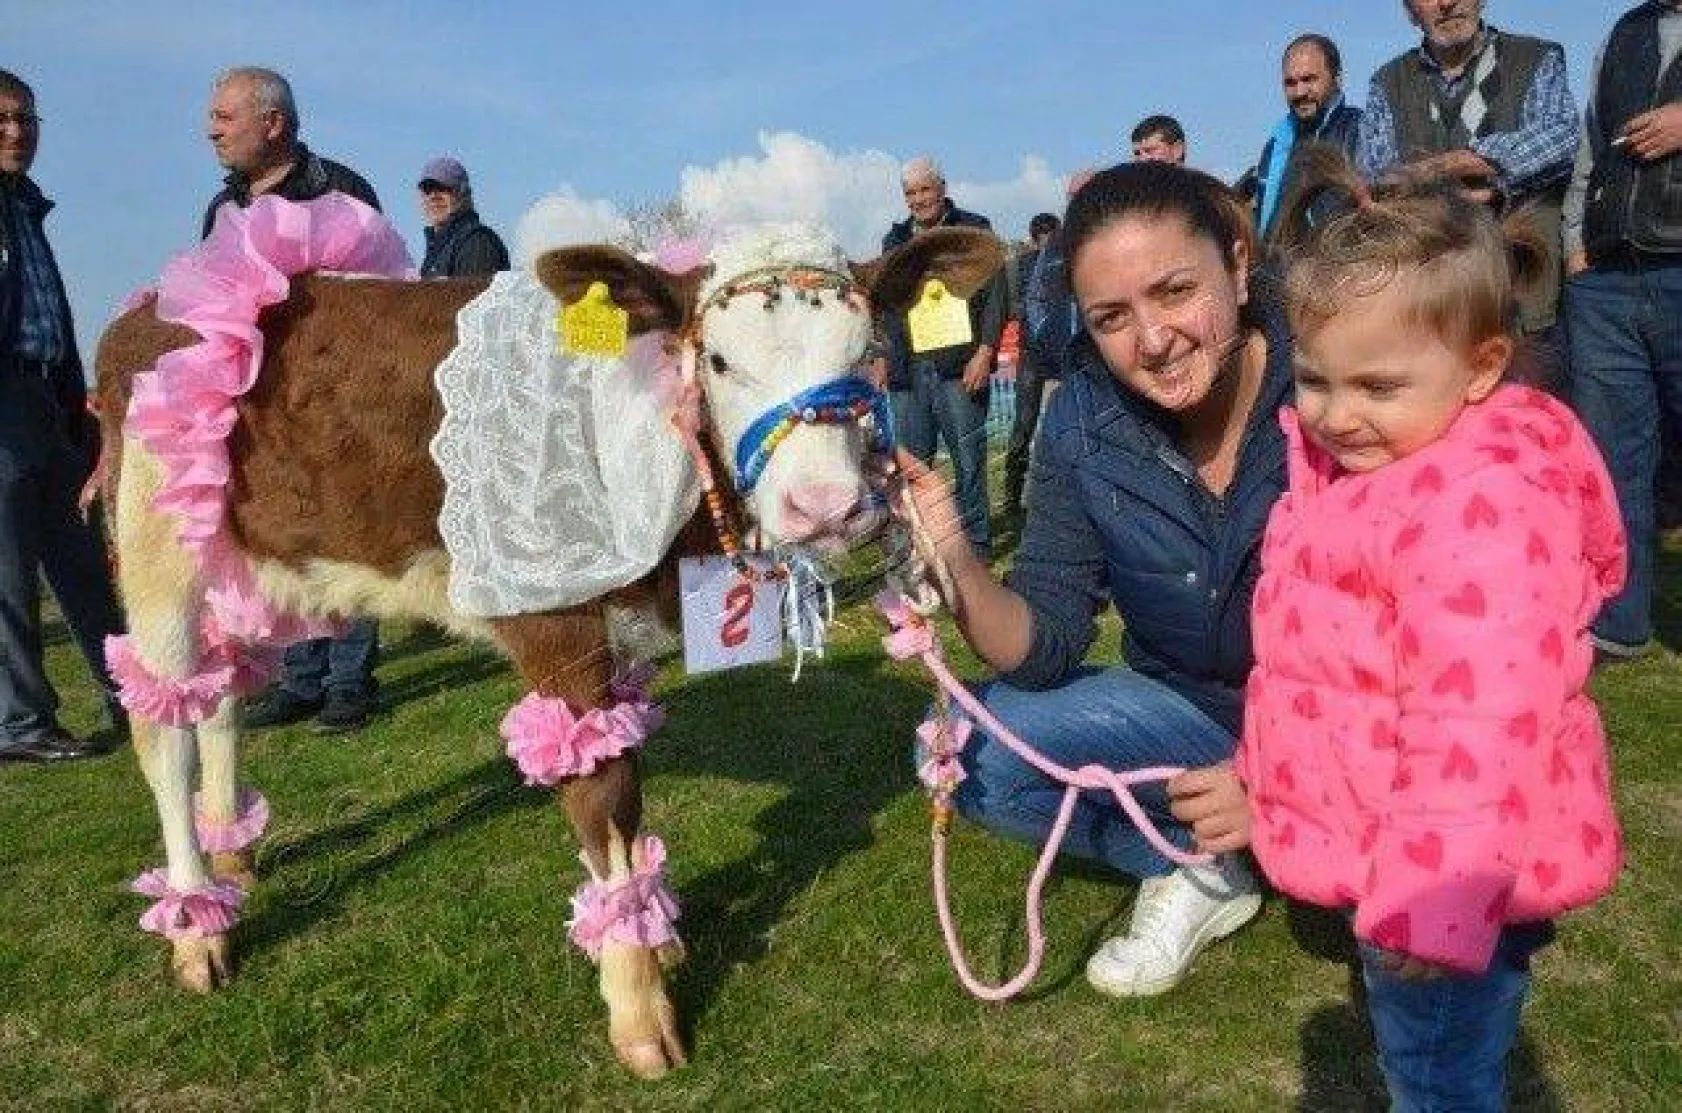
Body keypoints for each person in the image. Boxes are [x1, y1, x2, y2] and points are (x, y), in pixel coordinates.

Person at [1221, 156, 1626, 1109]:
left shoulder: (1481, 512)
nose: (1336, 415)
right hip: (1399, 853)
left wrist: (1433, 908)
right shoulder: (1371, 473)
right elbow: (1318, 668)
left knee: (1439, 1079)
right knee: (1425, 1059)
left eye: (1376, 385)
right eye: (1314, 379)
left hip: (1447, 876)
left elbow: (1478, 727)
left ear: (1481, 365)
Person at [895, 162, 1284, 998]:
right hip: (1185, 720)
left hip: (1345, 729)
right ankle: (1196, 862)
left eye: (1176, 291)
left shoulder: (1335, 391)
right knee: (958, 752)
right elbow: (1045, 645)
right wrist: (956, 553)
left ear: (1238, 266)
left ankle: (1304, 834)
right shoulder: (1081, 419)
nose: (1152, 339)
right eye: (1111, 317)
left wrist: (1280, 777)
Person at [202, 66, 383, 733]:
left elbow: (381, 302)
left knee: (351, 536)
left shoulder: (341, 190)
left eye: (225, 116)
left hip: (337, 404)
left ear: (273, 122)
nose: (211, 130)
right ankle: (301, 678)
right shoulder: (221, 209)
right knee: (289, 535)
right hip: (263, 409)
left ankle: (350, 682)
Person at [0, 69, 127, 763]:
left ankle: (131, 692)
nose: (17, 132)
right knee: (9, 569)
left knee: (79, 557)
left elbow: (48, 315)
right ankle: (21, 722)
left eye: (26, 118)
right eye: (2, 120)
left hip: (48, 397)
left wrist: (78, 405)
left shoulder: (25, 207)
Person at [1562, 0, 1682, 661]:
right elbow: (1592, 141)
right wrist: (1575, 246)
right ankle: (1620, 621)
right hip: (1606, 277)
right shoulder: (1624, 31)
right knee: (1614, 463)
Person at [1356, 0, 1578, 342]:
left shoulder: (1536, 58)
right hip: (1429, 308)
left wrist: (1454, 163)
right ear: (1411, 12)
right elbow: (1377, 180)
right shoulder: (1387, 84)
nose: (1447, 3)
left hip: (1525, 301)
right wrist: (1451, 189)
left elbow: (1562, 139)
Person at [877, 156, 1005, 560]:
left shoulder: (973, 229)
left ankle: (975, 549)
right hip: (908, 371)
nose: (918, 199)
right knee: (913, 468)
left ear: (942, 188)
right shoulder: (894, 241)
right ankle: (920, 548)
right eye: (910, 193)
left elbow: (996, 296)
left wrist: (985, 351)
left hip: (958, 368)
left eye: (925, 190)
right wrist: (882, 355)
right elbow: (886, 304)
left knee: (968, 462)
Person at [1252, 33, 1363, 244]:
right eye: (1290, 83)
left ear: (1337, 79)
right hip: (1277, 262)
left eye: (1309, 79)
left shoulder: (1360, 131)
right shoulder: (1276, 146)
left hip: (1338, 260)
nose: (1299, 92)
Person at [1002, 212, 1060, 517]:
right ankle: (1013, 493)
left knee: (1060, 424)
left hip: (1061, 358)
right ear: (1035, 238)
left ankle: (1054, 491)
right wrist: (1031, 310)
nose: (1046, 240)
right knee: (1023, 426)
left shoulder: (1068, 261)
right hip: (1031, 355)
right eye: (1042, 236)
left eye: (1051, 234)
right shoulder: (1019, 266)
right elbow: (1010, 306)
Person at [417, 156, 509, 278]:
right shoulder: (437, 249)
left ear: (463, 193)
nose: (434, 196)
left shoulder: (476, 241)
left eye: (443, 188)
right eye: (427, 189)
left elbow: (474, 290)